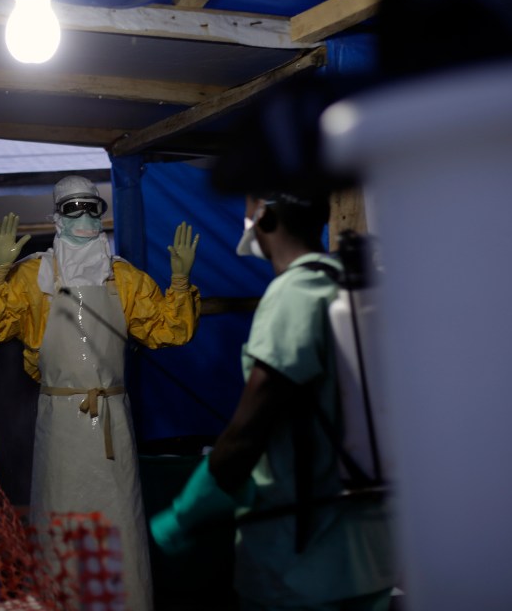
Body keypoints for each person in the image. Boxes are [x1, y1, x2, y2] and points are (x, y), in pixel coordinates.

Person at [151, 191, 396, 610]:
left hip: (301, 562)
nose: (245, 214)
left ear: (262, 214)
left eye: (248, 204)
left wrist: (181, 517)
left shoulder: (292, 295)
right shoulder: (351, 284)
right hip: (371, 555)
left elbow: (248, 433)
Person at [0, 175, 200, 611]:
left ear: (102, 213)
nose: (82, 216)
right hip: (60, 421)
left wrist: (179, 283)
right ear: (56, 216)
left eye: (91, 207)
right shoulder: (32, 276)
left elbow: (167, 331)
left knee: (119, 521)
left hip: (112, 423)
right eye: (72, 207)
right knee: (62, 518)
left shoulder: (125, 278)